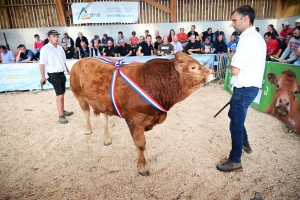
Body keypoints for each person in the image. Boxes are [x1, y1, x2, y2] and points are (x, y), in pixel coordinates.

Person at [216, 5, 266, 172]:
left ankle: (235, 160)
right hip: (250, 87)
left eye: (234, 20)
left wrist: (232, 58)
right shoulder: (257, 37)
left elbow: (235, 70)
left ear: (246, 19)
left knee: (235, 124)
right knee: (234, 114)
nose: (232, 24)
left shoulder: (246, 39)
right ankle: (244, 143)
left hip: (244, 87)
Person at [39, 30, 73, 124]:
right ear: (49, 37)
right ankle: (61, 115)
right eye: (54, 36)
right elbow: (42, 64)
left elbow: (64, 61)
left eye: (57, 36)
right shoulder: (45, 49)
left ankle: (62, 110)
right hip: (53, 74)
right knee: (60, 94)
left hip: (61, 74)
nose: (56, 38)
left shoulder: (60, 48)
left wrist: (68, 70)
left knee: (62, 93)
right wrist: (43, 76)